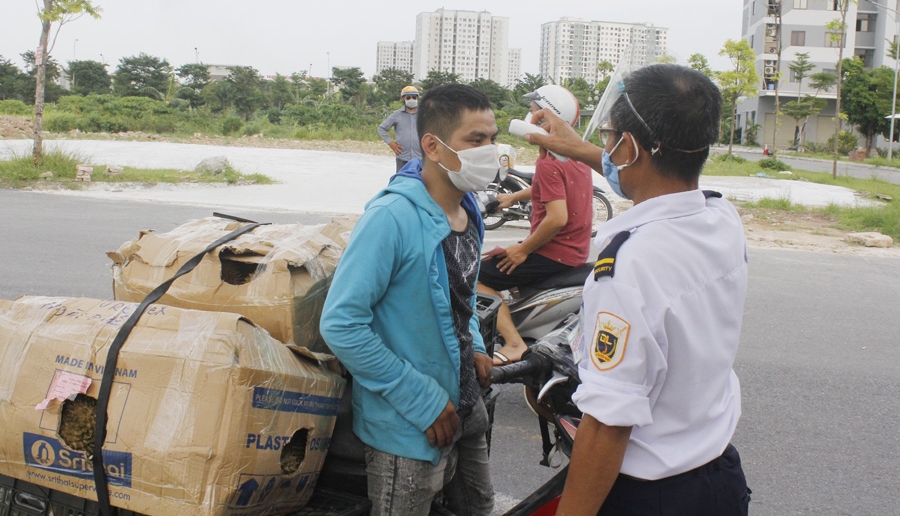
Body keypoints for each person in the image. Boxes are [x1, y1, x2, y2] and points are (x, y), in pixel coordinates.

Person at [526, 63, 751, 515]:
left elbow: (609, 423)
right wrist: (579, 147)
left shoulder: (628, 265)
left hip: (652, 496)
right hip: (719, 477)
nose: (605, 148)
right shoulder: (719, 217)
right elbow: (654, 177)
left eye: (610, 137)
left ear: (629, 146)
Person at [321, 84, 498, 516]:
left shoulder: (468, 208)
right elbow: (341, 324)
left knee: (479, 508)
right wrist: (421, 399)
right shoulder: (390, 219)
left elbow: (461, 290)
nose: (489, 152)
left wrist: (474, 343)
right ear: (433, 147)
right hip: (410, 422)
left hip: (465, 403)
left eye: (492, 139)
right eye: (475, 141)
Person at [477, 85, 594, 365]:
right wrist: (513, 197)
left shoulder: (549, 163)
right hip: (575, 249)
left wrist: (522, 249)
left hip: (552, 252)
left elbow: (557, 218)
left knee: (473, 277)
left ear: (545, 119)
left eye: (532, 112)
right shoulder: (575, 154)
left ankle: (514, 343)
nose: (527, 119)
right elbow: (552, 188)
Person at [378, 85, 422, 172]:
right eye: (408, 97)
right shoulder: (396, 115)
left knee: (421, 183)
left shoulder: (424, 115)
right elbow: (381, 129)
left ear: (417, 98)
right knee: (401, 182)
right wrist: (391, 143)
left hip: (421, 158)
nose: (411, 99)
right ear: (403, 99)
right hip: (403, 158)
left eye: (414, 97)